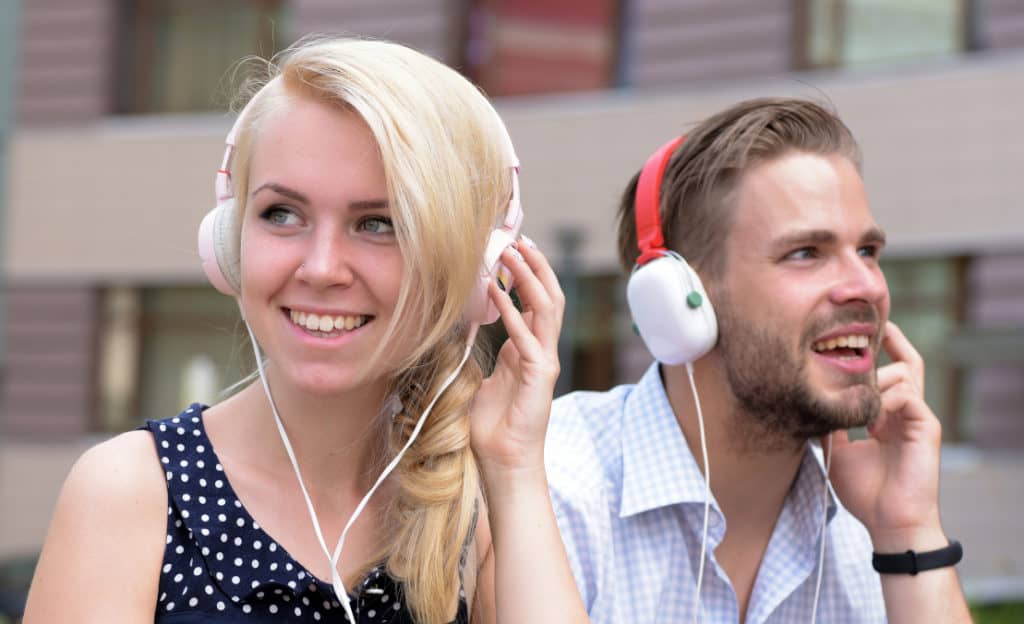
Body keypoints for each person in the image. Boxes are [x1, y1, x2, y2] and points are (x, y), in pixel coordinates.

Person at [24, 37, 587, 624]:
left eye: (378, 223)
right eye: (282, 214)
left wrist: (515, 468)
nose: (320, 268)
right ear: (230, 240)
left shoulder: (474, 511)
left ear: (474, 270)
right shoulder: (131, 492)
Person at [545, 97, 972, 623]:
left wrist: (909, 530)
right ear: (678, 299)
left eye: (867, 251)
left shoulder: (868, 526)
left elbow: (903, 533)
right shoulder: (550, 491)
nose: (867, 286)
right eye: (805, 253)